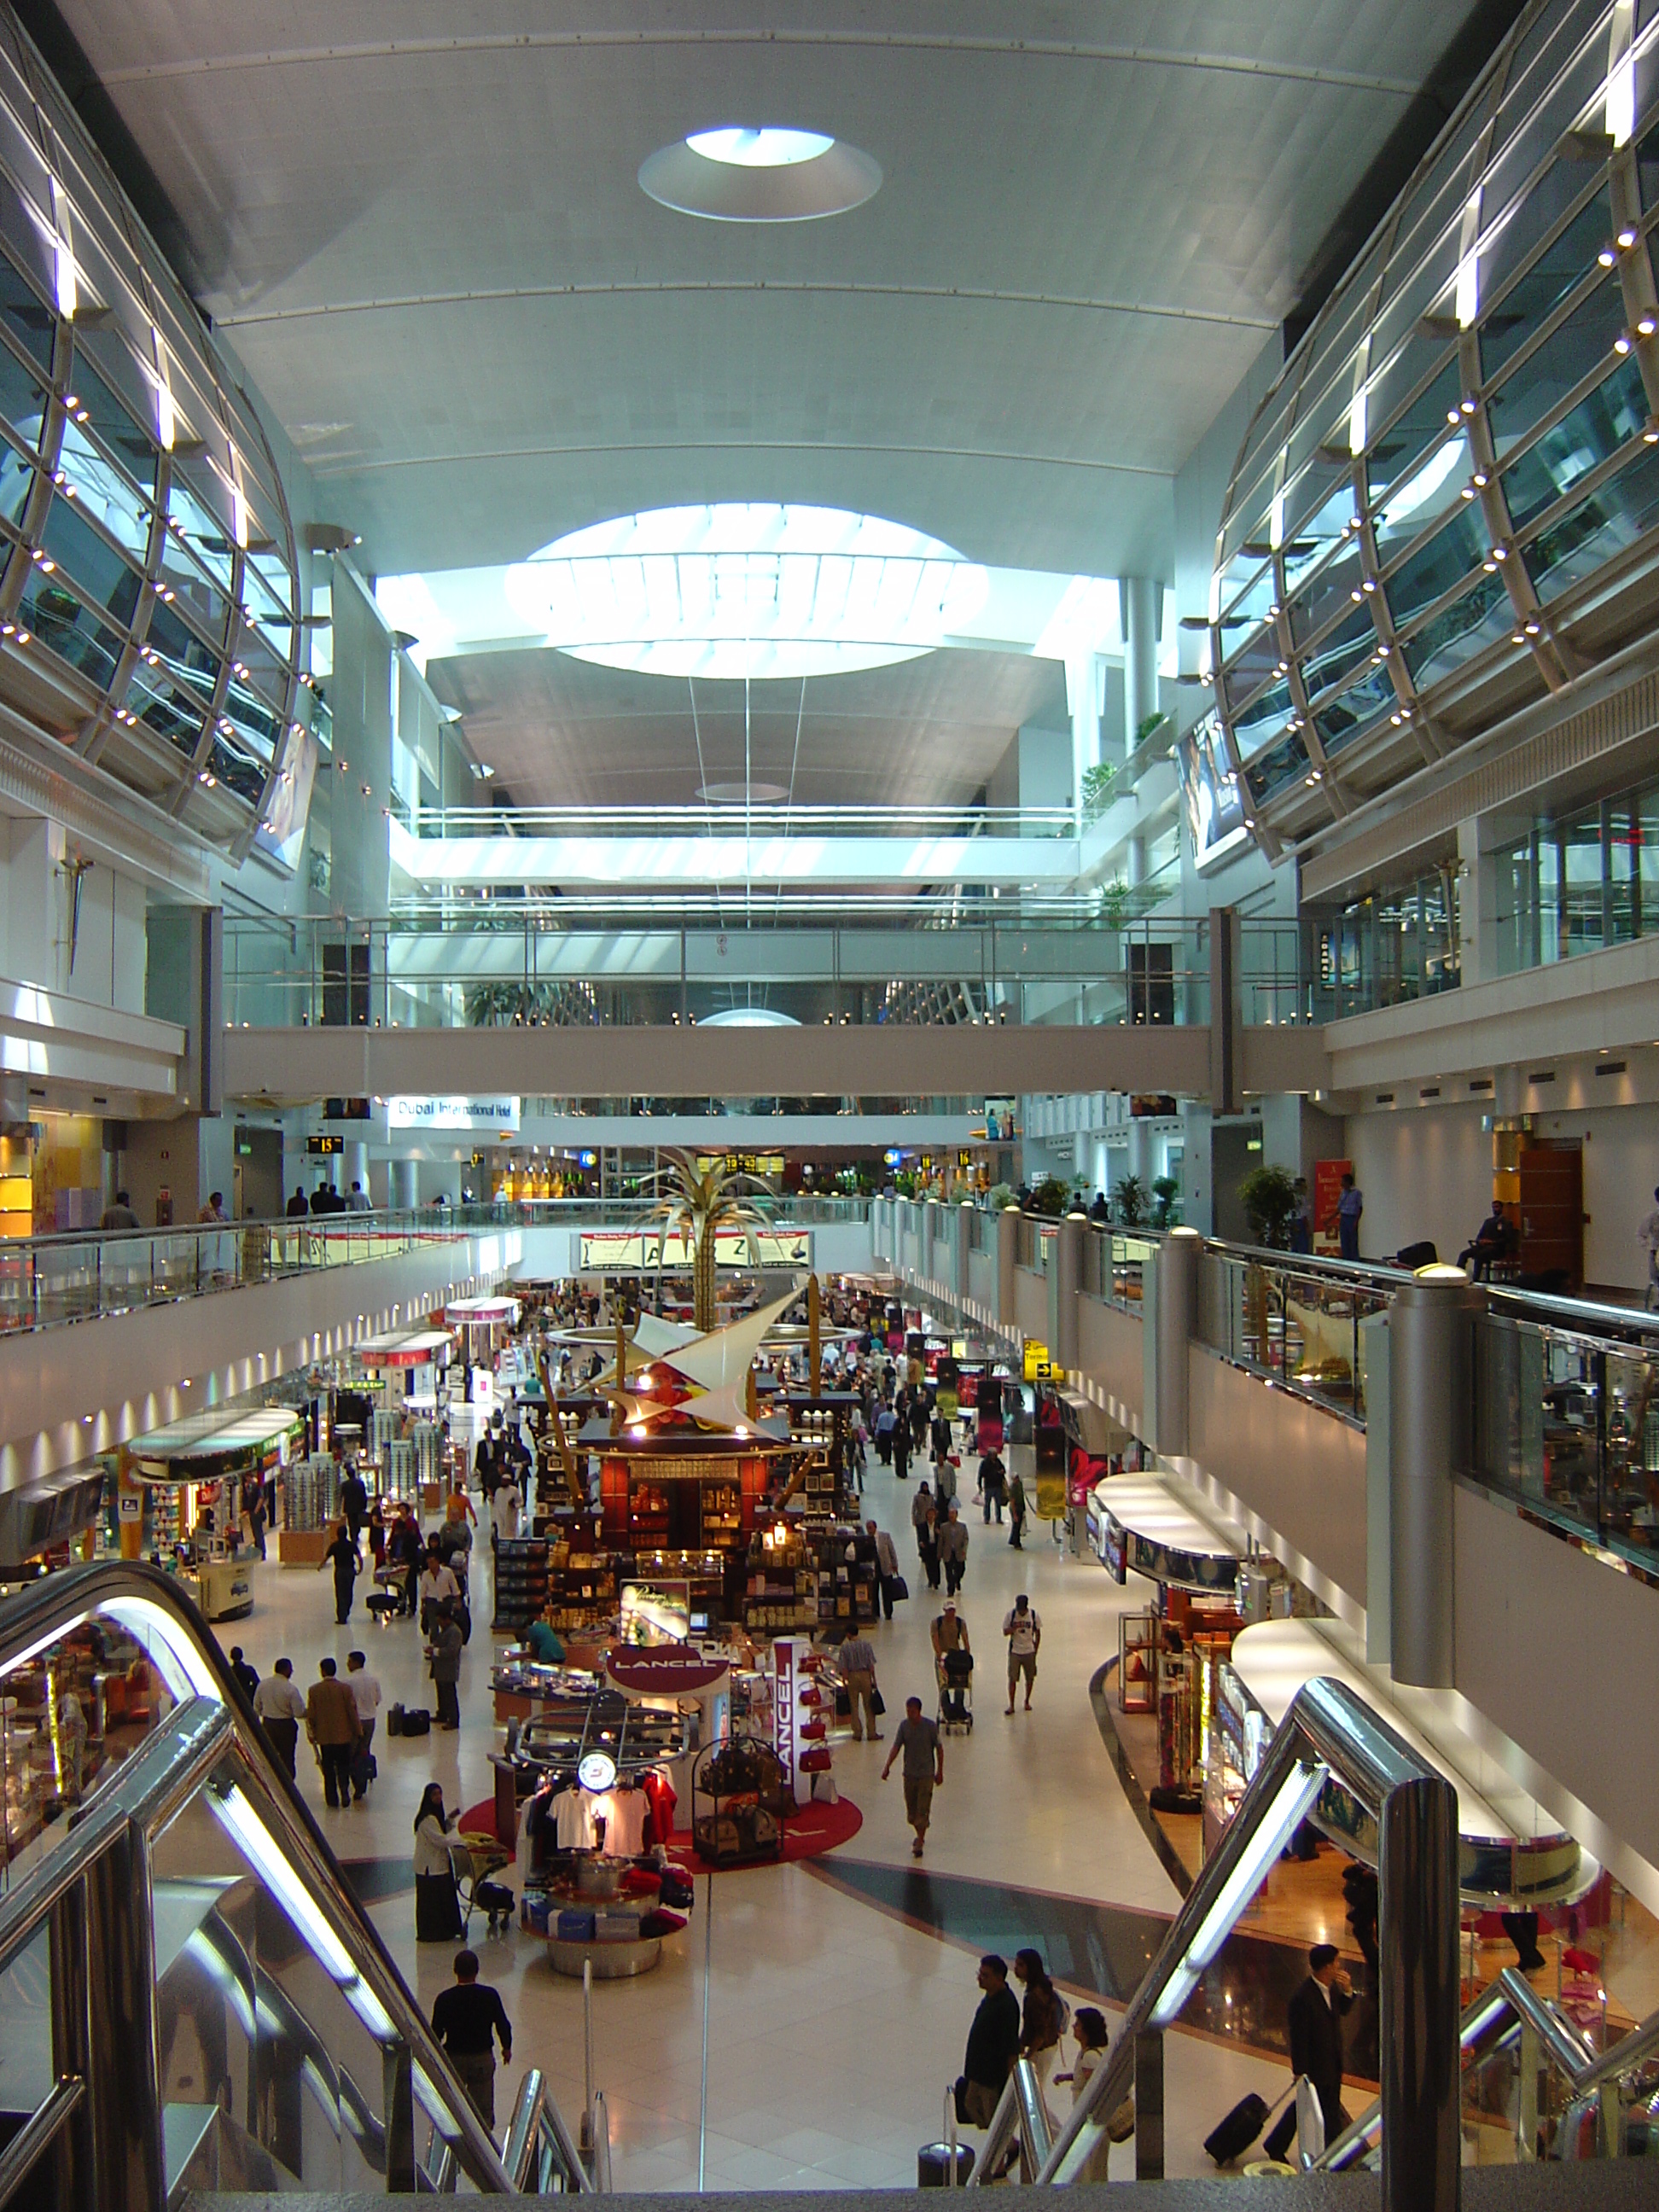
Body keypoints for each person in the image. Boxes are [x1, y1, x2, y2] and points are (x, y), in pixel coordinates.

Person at [1264, 1944, 1355, 2161]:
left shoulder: (1331, 1989)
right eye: (1336, 1963)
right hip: (1316, 2066)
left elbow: (1342, 2010)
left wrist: (1349, 1991)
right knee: (1320, 2110)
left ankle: (1277, 2144)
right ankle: (1334, 2153)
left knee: (1319, 2108)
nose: (1339, 1966)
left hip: (1332, 2062)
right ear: (1326, 1967)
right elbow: (1299, 2038)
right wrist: (1300, 2071)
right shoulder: (1303, 1999)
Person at [431, 1949, 513, 2133]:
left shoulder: (444, 1999)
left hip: (454, 2058)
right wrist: (506, 2048)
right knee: (483, 2107)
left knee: (453, 2104)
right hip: (481, 2057)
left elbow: (435, 2032)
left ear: (455, 1971)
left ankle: (454, 2139)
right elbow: (503, 2025)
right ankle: (483, 2144)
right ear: (477, 1971)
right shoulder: (489, 1996)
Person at [959, 1955, 1022, 2128]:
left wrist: (1008, 2081)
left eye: (985, 1975)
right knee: (970, 2104)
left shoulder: (1006, 2006)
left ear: (999, 1977)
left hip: (991, 2075)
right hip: (978, 2071)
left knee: (993, 2116)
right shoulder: (990, 1998)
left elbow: (1011, 2045)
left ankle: (1006, 2147)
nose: (980, 1978)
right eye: (980, 1973)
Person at [880, 1693, 943, 1858]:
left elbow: (939, 1748)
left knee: (923, 1809)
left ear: (919, 1711)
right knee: (912, 1813)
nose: (909, 1714)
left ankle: (920, 1841)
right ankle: (920, 1834)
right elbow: (897, 1747)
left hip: (926, 1775)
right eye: (908, 1711)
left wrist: (939, 1771)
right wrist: (887, 1766)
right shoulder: (904, 1727)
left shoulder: (930, 1727)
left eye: (912, 1711)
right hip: (909, 1774)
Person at [306, 1656, 361, 1809]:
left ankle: (332, 1799)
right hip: (343, 1736)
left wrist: (313, 1734)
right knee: (344, 1766)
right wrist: (358, 1731)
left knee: (328, 1769)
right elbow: (352, 1712)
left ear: (322, 1671)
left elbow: (311, 1716)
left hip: (325, 1738)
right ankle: (344, 1790)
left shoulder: (314, 1690)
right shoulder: (345, 1689)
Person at [1014, 1947, 1065, 2107]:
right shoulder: (1041, 1987)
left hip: (1042, 2049)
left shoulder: (1035, 1996)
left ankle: (1051, 2129)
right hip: (1047, 2046)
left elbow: (1040, 2031)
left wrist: (1029, 2055)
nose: (1016, 1968)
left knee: (1034, 2092)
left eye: (1020, 1965)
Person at [414, 1784, 464, 1941]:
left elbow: (441, 1830)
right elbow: (440, 1839)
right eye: (435, 1795)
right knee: (434, 1902)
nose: (438, 1797)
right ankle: (435, 1933)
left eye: (440, 1794)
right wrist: (463, 1841)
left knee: (443, 1899)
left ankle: (447, 1930)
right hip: (431, 1868)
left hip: (437, 1866)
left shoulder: (434, 1816)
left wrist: (449, 1819)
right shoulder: (427, 1819)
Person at [253, 1656, 305, 1778]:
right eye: (291, 1669)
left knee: (269, 1757)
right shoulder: (290, 1689)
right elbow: (299, 1712)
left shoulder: (263, 1685)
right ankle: (288, 1783)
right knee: (287, 1758)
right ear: (286, 1670)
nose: (292, 1672)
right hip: (286, 1727)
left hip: (268, 1725)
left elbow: (256, 1707)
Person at [346, 1649, 382, 1801]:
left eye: (349, 1661)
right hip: (370, 1720)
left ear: (355, 1663)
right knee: (364, 1750)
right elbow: (378, 1700)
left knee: (352, 1754)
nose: (347, 1664)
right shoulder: (373, 1679)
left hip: (355, 1721)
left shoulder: (348, 1682)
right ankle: (364, 1778)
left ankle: (357, 1784)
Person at [839, 1625, 881, 1742]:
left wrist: (844, 1682)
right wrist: (874, 1680)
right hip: (865, 1675)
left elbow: (844, 1668)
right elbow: (871, 1665)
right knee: (869, 1705)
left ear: (848, 1634)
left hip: (852, 1676)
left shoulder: (845, 1648)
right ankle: (871, 1733)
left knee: (854, 1706)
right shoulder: (866, 1645)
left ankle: (857, 1733)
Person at [428, 1603, 464, 1729]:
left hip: (449, 1669)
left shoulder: (455, 1632)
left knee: (449, 1695)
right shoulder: (445, 1630)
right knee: (441, 1693)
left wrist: (435, 1651)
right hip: (440, 1668)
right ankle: (442, 1714)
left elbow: (452, 1651)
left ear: (447, 1619)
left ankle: (453, 1720)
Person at [1003, 1595, 1041, 1714]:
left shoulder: (1033, 1615)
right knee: (1012, 1678)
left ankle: (1027, 1701)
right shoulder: (1011, 1615)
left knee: (1030, 1678)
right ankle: (1011, 1705)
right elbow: (1005, 1632)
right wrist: (1013, 1628)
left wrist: (1035, 1648)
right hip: (1015, 1651)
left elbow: (1038, 1632)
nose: (1020, 1612)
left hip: (1029, 1651)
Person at [319, 1521, 362, 1624]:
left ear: (337, 1534)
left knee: (340, 1593)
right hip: (350, 1570)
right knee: (348, 1591)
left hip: (340, 1571)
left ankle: (341, 1616)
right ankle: (346, 1610)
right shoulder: (351, 1545)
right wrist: (360, 1568)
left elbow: (326, 1557)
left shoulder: (335, 1546)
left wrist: (320, 1566)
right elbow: (359, 1557)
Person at [1458, 1199, 1511, 1281]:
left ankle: (1476, 1279)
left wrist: (1492, 1242)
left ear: (1502, 1208)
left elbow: (1507, 1239)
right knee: (1464, 1254)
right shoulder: (1488, 1222)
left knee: (1480, 1256)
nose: (1495, 1209)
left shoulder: (1506, 1222)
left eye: (1497, 1207)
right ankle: (1459, 1276)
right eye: (1493, 1207)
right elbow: (1480, 1235)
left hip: (1497, 1249)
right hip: (1483, 1246)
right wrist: (1480, 1241)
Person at [1068, 2008, 1111, 2105]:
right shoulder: (1097, 2051)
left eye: (1077, 2024)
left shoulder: (1090, 2056)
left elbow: (1094, 2086)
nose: (1073, 2026)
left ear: (1086, 2030)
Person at [419, 1547, 461, 1633]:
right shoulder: (426, 1575)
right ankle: (435, 1644)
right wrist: (423, 1606)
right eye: (429, 1563)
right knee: (433, 1627)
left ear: (438, 1562)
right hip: (432, 1602)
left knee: (447, 1626)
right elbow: (423, 1591)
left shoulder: (448, 1572)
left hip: (446, 1601)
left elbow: (454, 1587)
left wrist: (458, 1601)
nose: (431, 1565)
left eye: (432, 1562)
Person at [867, 1518, 901, 1620]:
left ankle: (888, 1612)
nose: (869, 1530)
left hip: (886, 1567)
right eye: (868, 1528)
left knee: (887, 1592)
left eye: (870, 1528)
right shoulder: (866, 1539)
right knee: (874, 1592)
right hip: (874, 1569)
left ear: (875, 1527)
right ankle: (875, 1612)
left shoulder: (885, 1537)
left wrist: (895, 1564)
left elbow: (892, 1551)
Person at [911, 1480, 939, 1592]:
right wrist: (914, 1519)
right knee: (921, 1537)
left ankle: (936, 1580)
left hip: (931, 1521)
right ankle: (922, 1552)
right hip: (921, 1521)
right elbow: (914, 1509)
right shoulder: (917, 1497)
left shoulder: (931, 1497)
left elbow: (934, 1507)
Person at [937, 1503, 969, 1597]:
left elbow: (966, 1539)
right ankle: (950, 1590)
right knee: (949, 1571)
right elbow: (941, 1541)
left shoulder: (962, 1527)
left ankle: (957, 1580)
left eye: (953, 1514)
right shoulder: (944, 1527)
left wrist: (964, 1550)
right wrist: (939, 1553)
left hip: (959, 1552)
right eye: (950, 1514)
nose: (951, 1516)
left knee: (961, 1569)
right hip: (948, 1552)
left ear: (956, 1515)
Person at [340, 1461, 369, 1545]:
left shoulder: (345, 1485)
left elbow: (342, 1496)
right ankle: (356, 1535)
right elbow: (364, 1495)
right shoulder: (360, 1483)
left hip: (349, 1507)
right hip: (359, 1506)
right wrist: (364, 1505)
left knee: (351, 1522)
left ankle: (353, 1537)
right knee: (358, 1521)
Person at [1640, 1186, 1659, 1311]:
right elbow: (1641, 1235)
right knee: (1657, 1278)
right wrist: (1649, 1247)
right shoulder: (1652, 1217)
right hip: (1656, 1251)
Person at [979, 1443, 1007, 1524]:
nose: (994, 1456)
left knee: (998, 1503)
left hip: (998, 1486)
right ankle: (987, 1518)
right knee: (987, 1503)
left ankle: (998, 1518)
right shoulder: (985, 1463)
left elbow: (1003, 1469)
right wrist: (979, 1485)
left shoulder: (998, 1462)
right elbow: (981, 1474)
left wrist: (1002, 1472)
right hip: (989, 1486)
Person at [1337, 1173, 1363, 1262]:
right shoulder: (1343, 1193)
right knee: (1344, 1241)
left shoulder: (1356, 1193)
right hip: (1344, 1217)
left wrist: (1356, 1221)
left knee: (1353, 1241)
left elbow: (1360, 1208)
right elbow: (1339, 1207)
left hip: (1352, 1217)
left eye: (1343, 1181)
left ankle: (1355, 1261)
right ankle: (1346, 1260)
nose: (1341, 1183)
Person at [492, 1472, 523, 1545]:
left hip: (511, 1517)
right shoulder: (498, 1491)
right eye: (503, 1480)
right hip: (499, 1516)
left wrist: (514, 1505)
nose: (503, 1482)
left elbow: (521, 1502)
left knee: (510, 1534)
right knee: (500, 1533)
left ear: (509, 1481)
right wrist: (493, 1519)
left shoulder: (514, 1490)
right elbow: (495, 1505)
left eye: (505, 1480)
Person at [1006, 1469, 1027, 1550]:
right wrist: (1014, 1514)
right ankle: (1016, 1543)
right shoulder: (1013, 1488)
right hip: (1015, 1508)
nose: (1017, 1479)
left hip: (1020, 1507)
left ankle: (1013, 1540)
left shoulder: (1020, 1485)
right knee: (1016, 1526)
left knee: (1017, 1525)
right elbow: (1012, 1502)